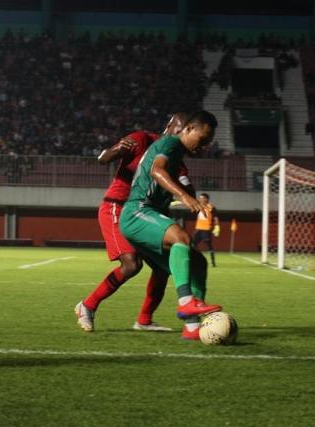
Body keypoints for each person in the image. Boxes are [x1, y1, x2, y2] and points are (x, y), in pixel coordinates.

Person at [75, 114, 189, 333]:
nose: (180, 134)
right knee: (131, 264)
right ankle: (87, 306)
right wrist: (114, 151)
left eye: (185, 132)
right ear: (169, 126)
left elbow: (185, 183)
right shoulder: (142, 139)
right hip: (117, 207)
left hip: (144, 214)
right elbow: (103, 158)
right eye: (179, 128)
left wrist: (188, 194)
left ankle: (144, 320)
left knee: (164, 266)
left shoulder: (176, 159)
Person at [120, 110, 222, 340]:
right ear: (187, 129)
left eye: (208, 143)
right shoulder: (170, 143)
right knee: (182, 237)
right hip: (137, 211)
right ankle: (187, 302)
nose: (203, 146)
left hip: (145, 214)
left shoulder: (177, 158)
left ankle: (193, 328)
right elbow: (157, 171)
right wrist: (185, 197)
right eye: (202, 139)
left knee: (199, 262)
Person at [192, 193, 220, 267]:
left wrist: (217, 226)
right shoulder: (198, 206)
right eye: (200, 198)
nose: (200, 199)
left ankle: (212, 262)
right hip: (198, 229)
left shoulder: (211, 207)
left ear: (207, 199)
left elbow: (216, 217)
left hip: (206, 229)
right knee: (192, 244)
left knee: (208, 245)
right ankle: (195, 259)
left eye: (202, 198)